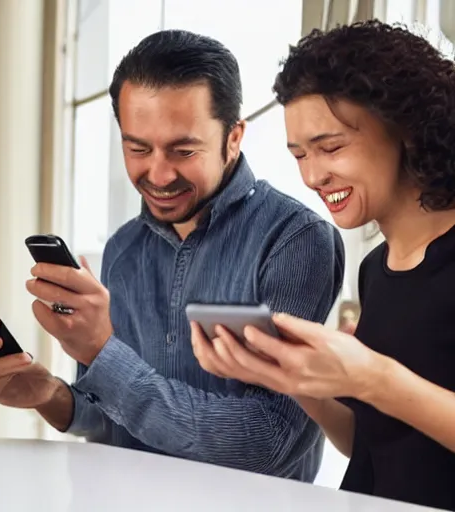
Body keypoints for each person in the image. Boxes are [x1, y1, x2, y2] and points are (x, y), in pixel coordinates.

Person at [0, 29, 344, 480]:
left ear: (233, 138)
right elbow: (110, 418)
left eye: (183, 150)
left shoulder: (294, 241)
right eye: (137, 148)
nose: (157, 173)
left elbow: (266, 442)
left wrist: (102, 351)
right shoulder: (121, 249)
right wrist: (50, 395)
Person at [190, 20, 455, 510]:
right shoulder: (375, 270)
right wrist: (291, 380)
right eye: (299, 155)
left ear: (408, 131)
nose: (313, 176)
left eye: (331, 147)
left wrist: (373, 377)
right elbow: (368, 444)